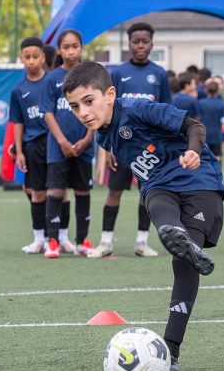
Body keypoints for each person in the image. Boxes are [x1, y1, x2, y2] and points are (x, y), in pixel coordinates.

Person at [63, 60, 224, 371]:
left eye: (88, 101)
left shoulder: (138, 109)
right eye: (74, 107)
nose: (82, 112)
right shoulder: (102, 135)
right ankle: (172, 233)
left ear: (110, 94)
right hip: (159, 185)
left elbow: (194, 126)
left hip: (198, 179)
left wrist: (193, 151)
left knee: (184, 262)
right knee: (158, 207)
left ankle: (172, 348)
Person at [88, 22, 171, 259]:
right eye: (136, 42)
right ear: (129, 44)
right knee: (114, 192)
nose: (140, 46)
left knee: (147, 194)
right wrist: (111, 145)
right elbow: (108, 110)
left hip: (149, 147)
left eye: (145, 42)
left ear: (152, 44)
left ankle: (141, 242)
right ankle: (105, 242)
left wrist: (162, 144)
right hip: (123, 145)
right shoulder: (117, 73)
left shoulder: (160, 75)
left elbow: (165, 112)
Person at [9, 37, 76, 255]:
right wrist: (19, 151)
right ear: (21, 59)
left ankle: (62, 237)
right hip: (33, 146)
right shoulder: (18, 90)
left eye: (35, 56)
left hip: (55, 142)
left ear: (43, 57)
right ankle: (39, 238)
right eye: (26, 57)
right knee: (37, 193)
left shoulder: (55, 81)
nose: (31, 61)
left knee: (61, 192)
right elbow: (17, 122)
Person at [39, 29, 95, 259]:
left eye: (75, 46)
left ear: (81, 48)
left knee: (82, 191)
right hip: (58, 148)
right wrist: (62, 141)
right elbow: (48, 113)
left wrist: (86, 139)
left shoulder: (91, 76)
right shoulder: (52, 79)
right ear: (59, 50)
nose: (71, 51)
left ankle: (82, 241)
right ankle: (52, 241)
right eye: (66, 47)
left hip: (84, 146)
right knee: (56, 191)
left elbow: (98, 110)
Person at [197, 79, 224, 162]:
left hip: (204, 136)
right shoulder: (221, 104)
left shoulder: (201, 103)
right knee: (217, 161)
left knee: (204, 161)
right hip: (217, 136)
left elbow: (197, 119)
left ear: (206, 90)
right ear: (217, 90)